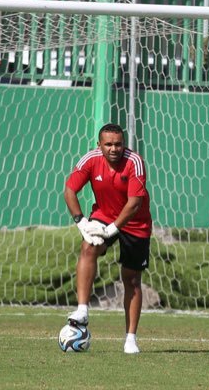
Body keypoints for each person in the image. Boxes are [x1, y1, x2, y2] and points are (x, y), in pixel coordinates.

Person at [64, 123, 152, 354]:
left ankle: (130, 339)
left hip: (135, 223)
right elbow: (69, 190)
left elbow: (135, 203)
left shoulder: (135, 162)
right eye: (109, 144)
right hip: (103, 215)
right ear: (99, 145)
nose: (114, 149)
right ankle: (82, 308)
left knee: (131, 279)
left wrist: (113, 229)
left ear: (124, 143)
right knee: (88, 248)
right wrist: (81, 222)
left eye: (118, 144)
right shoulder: (90, 160)